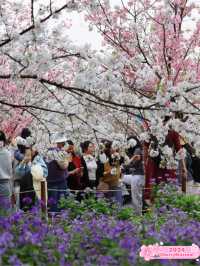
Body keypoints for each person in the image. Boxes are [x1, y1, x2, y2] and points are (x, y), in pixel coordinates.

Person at [15, 145, 48, 210]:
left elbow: (45, 172)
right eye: (26, 155)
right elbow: (18, 173)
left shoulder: (38, 159)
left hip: (37, 188)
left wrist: (33, 167)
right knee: (25, 208)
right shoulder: (24, 163)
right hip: (25, 189)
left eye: (29, 154)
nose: (28, 156)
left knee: (36, 208)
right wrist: (23, 162)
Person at [46, 133, 69, 212]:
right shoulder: (55, 152)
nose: (63, 144)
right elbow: (64, 165)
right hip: (58, 181)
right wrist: (67, 160)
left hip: (51, 181)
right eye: (62, 142)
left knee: (53, 203)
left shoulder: (48, 151)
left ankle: (54, 221)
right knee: (59, 204)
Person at [122, 136, 145, 214]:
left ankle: (138, 215)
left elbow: (132, 163)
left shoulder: (137, 150)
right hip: (135, 175)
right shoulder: (137, 150)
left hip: (138, 176)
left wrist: (125, 165)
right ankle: (125, 193)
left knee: (136, 197)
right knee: (121, 178)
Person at [98, 141, 123, 205]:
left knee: (117, 206)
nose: (115, 149)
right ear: (109, 149)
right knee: (106, 207)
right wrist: (109, 172)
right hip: (105, 186)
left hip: (116, 184)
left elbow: (121, 168)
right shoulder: (103, 158)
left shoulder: (117, 157)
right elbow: (100, 174)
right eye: (113, 147)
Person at [0, 131, 13, 212]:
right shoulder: (8, 153)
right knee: (5, 212)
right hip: (5, 184)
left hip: (4, 182)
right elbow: (10, 172)